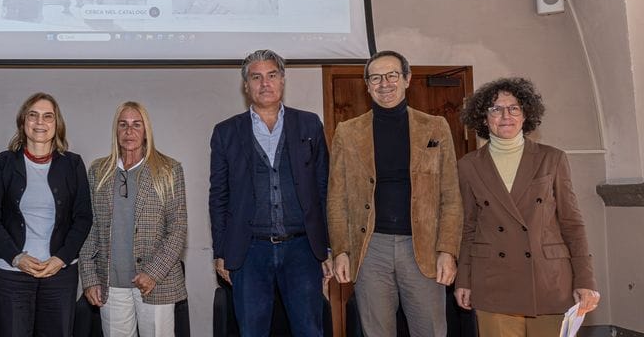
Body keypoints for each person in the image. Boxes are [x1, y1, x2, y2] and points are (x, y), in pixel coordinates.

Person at [328, 50, 461, 337]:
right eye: (376, 77)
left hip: (423, 248)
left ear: (407, 79)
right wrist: (340, 250)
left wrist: (447, 250)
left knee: (431, 331)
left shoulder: (436, 127)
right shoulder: (347, 133)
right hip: (370, 249)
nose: (384, 84)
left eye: (392, 75)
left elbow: (450, 195)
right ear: (367, 85)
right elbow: (337, 199)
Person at [455, 77, 600, 335]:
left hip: (548, 280)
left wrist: (585, 279)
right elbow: (469, 227)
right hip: (493, 281)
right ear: (483, 118)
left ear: (525, 114)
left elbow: (572, 223)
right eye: (496, 109)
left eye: (514, 108)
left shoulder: (552, 158)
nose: (505, 116)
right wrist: (463, 280)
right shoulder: (468, 165)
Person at [209, 49, 331, 336]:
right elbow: (219, 197)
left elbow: (324, 187)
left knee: (309, 330)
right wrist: (221, 251)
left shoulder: (309, 124)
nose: (265, 83)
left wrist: (328, 246)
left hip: (303, 248)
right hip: (249, 250)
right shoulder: (226, 132)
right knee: (251, 331)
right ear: (246, 85)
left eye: (272, 75)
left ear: (283, 80)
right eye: (257, 77)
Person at [0, 92, 93, 336]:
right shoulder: (3, 162)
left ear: (57, 124)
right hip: (11, 274)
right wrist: (16, 257)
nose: (40, 122)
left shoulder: (73, 164)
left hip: (59, 274)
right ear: (23, 122)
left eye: (48, 116)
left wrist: (61, 258)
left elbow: (83, 218)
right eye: (33, 115)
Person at [80, 101, 187, 337]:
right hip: (111, 285)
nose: (129, 131)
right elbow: (89, 228)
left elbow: (178, 228)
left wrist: (153, 273)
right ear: (116, 131)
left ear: (146, 130)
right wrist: (89, 278)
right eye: (123, 125)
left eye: (136, 124)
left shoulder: (169, 169)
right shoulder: (98, 171)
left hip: (155, 283)